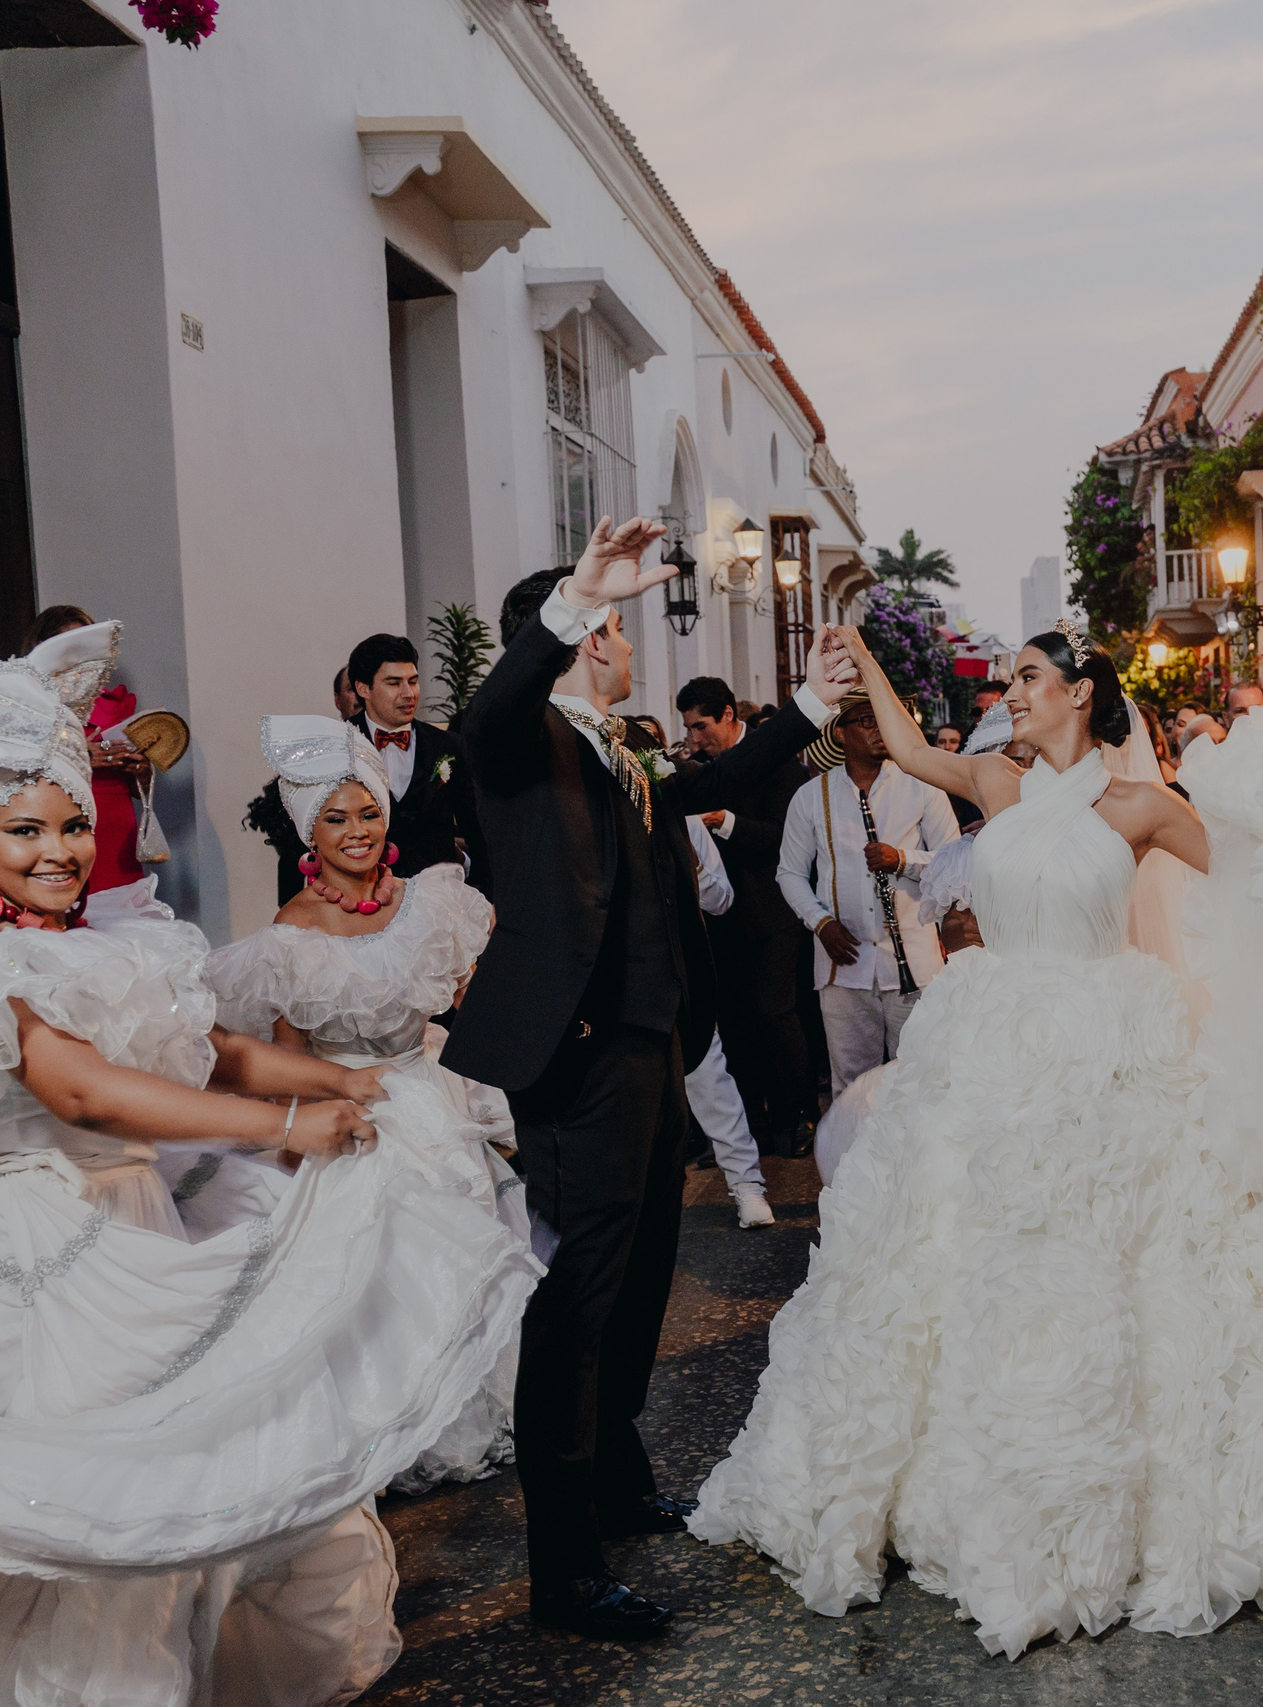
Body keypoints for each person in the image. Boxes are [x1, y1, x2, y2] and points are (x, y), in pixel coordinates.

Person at [692, 619, 1263, 1659]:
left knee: (1124, 1257)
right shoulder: (995, 781)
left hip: (1112, 1042)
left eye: (1029, 677)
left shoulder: (1142, 805)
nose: (1013, 694)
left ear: (1080, 694)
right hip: (987, 1040)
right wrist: (861, 657)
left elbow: (1251, 876)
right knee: (953, 1248)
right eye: (1011, 680)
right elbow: (913, 748)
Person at [0, 627, 539, 1706]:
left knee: (169, 1467)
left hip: (132, 1215)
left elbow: (211, 1046)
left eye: (72, 825)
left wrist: (335, 1081)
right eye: (23, 830)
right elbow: (80, 1090)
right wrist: (279, 1127)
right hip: (33, 1240)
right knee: (71, 1494)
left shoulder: (96, 942)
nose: (58, 850)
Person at [444, 519, 856, 1642]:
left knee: (637, 1279)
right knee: (579, 1294)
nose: (627, 643)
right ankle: (564, 1571)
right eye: (613, 629)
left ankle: (617, 1486)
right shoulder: (521, 738)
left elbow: (708, 786)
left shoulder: (617, 747)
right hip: (579, 1049)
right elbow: (486, 714)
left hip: (651, 1040)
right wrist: (573, 597)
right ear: (582, 636)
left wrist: (808, 712)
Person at [194, 714, 543, 1492]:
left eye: (367, 813)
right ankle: (401, 1423)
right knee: (382, 1269)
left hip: (431, 1094)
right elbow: (288, 1051)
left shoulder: (432, 901)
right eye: (336, 818)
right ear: (307, 833)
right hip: (350, 1110)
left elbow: (476, 1002)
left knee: (464, 1247)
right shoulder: (291, 931)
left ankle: (472, 1406)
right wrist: (295, 1136)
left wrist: (501, 1085)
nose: (357, 831)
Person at [779, 691, 960, 1094]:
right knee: (852, 1086)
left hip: (915, 961)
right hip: (843, 966)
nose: (880, 729)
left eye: (882, 718)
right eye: (866, 721)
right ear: (840, 734)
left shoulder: (923, 786)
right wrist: (820, 922)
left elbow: (955, 861)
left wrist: (902, 860)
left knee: (921, 1081)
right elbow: (789, 873)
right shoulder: (812, 796)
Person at [678, 674, 819, 1156]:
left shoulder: (776, 760)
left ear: (728, 715)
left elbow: (787, 838)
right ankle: (750, 1127)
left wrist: (725, 822)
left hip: (772, 912)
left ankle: (796, 1119)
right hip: (718, 919)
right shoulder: (696, 770)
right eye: (688, 729)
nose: (694, 739)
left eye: (701, 726)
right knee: (734, 1024)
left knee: (775, 1016)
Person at [678, 809, 776, 1229]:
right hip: (619, 977)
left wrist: (693, 865)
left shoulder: (686, 825)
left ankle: (747, 1185)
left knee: (709, 1080)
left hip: (681, 971)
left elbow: (721, 900)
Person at [23, 603, 154, 893]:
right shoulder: (27, 706)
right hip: (58, 824)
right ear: (44, 647)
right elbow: (12, 776)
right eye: (72, 644)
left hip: (116, 827)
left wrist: (142, 771)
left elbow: (138, 790)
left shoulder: (116, 704)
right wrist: (76, 756)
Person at [346, 632, 483, 888]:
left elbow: (476, 828)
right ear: (363, 688)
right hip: (364, 891)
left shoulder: (448, 745)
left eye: (413, 681)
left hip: (440, 892)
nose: (409, 693)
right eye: (394, 683)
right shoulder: (339, 745)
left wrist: (483, 889)